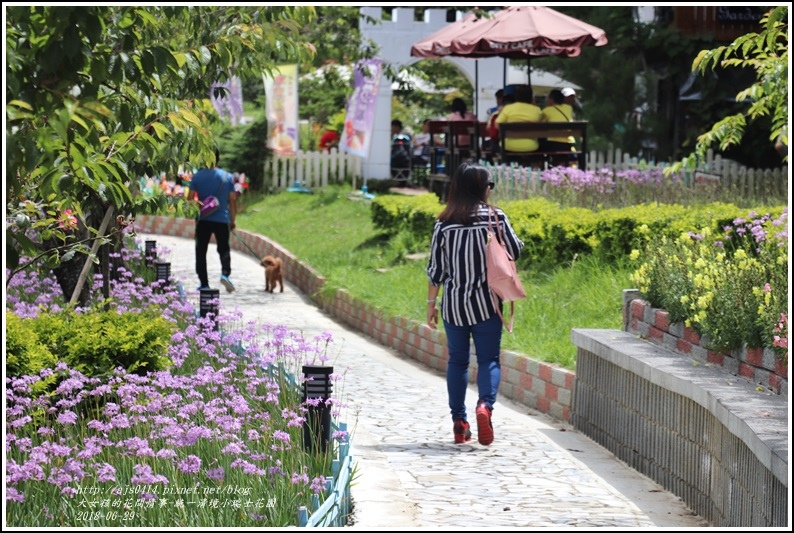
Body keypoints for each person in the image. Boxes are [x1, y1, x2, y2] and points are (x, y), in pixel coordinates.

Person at [426, 162, 524, 446]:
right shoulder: (496, 216)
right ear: (484, 188)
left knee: (457, 361)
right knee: (489, 360)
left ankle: (460, 422)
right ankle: (485, 407)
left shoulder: (444, 223)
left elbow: (436, 270)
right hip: (488, 303)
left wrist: (431, 304)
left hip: (454, 304)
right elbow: (515, 250)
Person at [189, 147, 238, 293]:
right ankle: (225, 274)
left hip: (204, 219)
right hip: (222, 219)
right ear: (218, 158)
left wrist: (199, 213)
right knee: (224, 248)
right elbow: (233, 200)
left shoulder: (197, 176)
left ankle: (204, 283)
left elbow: (190, 200)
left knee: (201, 250)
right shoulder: (227, 177)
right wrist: (232, 220)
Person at [495, 84, 543, 153]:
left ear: (516, 96)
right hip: (530, 146)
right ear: (531, 97)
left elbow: (497, 125)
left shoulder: (508, 108)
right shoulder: (537, 110)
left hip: (508, 145)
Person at [540, 89, 576, 164]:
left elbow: (541, 124)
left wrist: (548, 106)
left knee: (540, 144)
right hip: (567, 144)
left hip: (553, 144)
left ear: (551, 99)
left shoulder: (547, 110)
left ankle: (544, 168)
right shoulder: (569, 108)